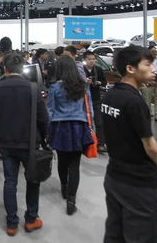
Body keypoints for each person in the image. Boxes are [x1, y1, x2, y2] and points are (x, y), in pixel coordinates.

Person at [101, 46, 157, 243]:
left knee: (115, 232)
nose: (154, 69)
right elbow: (149, 144)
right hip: (138, 183)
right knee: (144, 235)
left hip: (114, 176)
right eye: (147, 65)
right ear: (130, 69)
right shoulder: (134, 101)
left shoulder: (110, 95)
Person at [0, 52, 48, 236]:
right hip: (30, 143)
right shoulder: (32, 88)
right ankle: (31, 220)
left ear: (4, 69)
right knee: (33, 180)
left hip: (6, 143)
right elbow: (43, 117)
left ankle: (11, 223)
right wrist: (45, 138)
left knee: (10, 182)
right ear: (21, 68)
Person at [47, 56, 94, 215]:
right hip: (79, 127)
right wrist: (91, 126)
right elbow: (89, 109)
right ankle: (71, 200)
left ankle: (64, 187)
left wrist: (46, 130)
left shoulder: (55, 88)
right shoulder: (83, 86)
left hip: (60, 127)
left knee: (62, 160)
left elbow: (50, 111)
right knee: (75, 164)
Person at [83, 51, 108, 153]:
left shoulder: (98, 70)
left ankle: (100, 143)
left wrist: (100, 83)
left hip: (96, 97)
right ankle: (86, 142)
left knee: (99, 121)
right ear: (85, 60)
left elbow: (104, 81)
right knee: (85, 121)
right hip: (83, 99)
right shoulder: (81, 70)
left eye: (93, 59)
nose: (92, 61)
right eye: (89, 59)